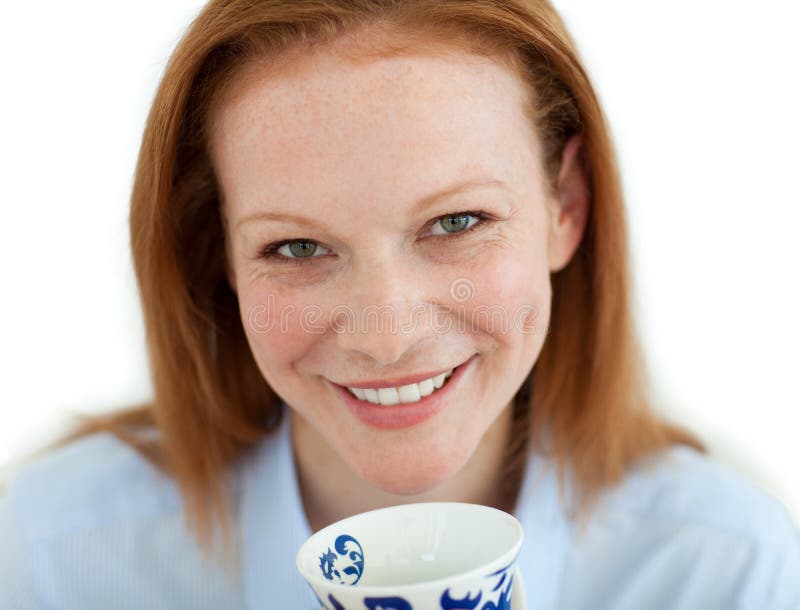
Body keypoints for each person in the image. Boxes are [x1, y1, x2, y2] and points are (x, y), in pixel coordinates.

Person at [1, 1, 798, 608]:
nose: (387, 336)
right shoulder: (47, 560)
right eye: (297, 247)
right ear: (223, 258)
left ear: (567, 205)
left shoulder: (731, 573)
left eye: (458, 222)